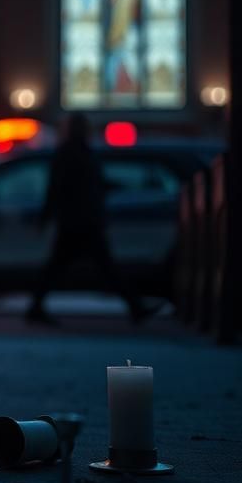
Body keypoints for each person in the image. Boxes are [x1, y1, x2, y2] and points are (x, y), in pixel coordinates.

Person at [26, 112, 150, 325]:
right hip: (83, 220)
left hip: (75, 220)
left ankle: (36, 307)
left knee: (61, 266)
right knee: (102, 266)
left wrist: (47, 216)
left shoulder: (68, 152)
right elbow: (64, 187)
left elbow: (57, 188)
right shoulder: (81, 153)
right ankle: (135, 306)